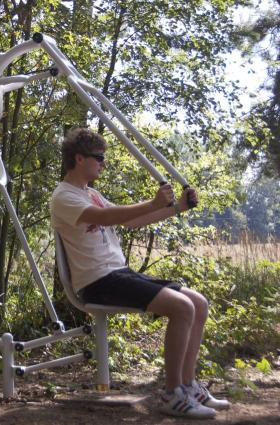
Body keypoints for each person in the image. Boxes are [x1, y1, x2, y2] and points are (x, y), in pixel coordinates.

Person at [50, 128, 230, 419]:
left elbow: (131, 221)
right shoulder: (63, 196)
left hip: (119, 273)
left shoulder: (91, 194)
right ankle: (172, 394)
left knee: (198, 302)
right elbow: (106, 217)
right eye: (99, 158)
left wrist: (178, 207)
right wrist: (154, 202)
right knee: (182, 307)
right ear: (79, 158)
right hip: (97, 281)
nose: (104, 164)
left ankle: (188, 386)